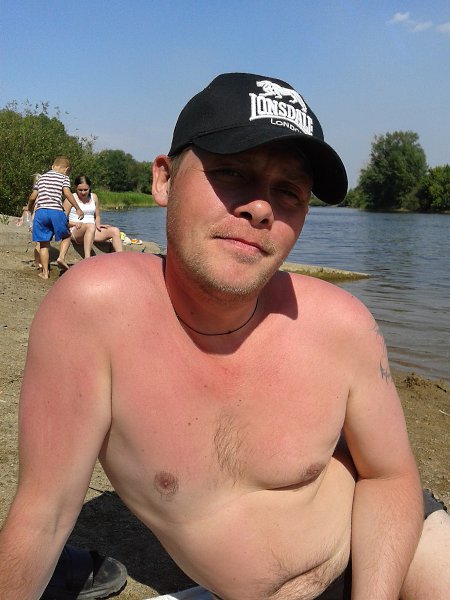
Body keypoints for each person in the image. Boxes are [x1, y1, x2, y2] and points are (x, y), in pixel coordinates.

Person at [0, 73, 448, 600]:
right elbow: (44, 516)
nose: (261, 207)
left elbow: (390, 478)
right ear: (164, 180)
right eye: (232, 171)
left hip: (391, 552)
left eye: (289, 191)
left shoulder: (342, 324)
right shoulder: (96, 312)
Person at [27, 157, 84, 279]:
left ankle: (45, 273)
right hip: (56, 212)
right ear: (66, 169)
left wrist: (29, 208)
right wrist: (77, 208)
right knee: (67, 235)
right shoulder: (63, 178)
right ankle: (61, 257)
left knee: (43, 244)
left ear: (53, 166)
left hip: (41, 212)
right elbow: (67, 193)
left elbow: (32, 197)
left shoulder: (41, 178)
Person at [59, 175, 123, 263]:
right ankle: (87, 258)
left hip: (92, 229)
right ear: (75, 188)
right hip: (76, 230)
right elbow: (61, 220)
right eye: (80, 190)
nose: (83, 192)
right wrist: (74, 223)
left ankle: (121, 258)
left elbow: (97, 216)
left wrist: (98, 225)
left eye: (86, 190)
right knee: (90, 226)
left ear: (89, 188)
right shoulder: (70, 199)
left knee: (115, 230)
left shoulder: (94, 197)